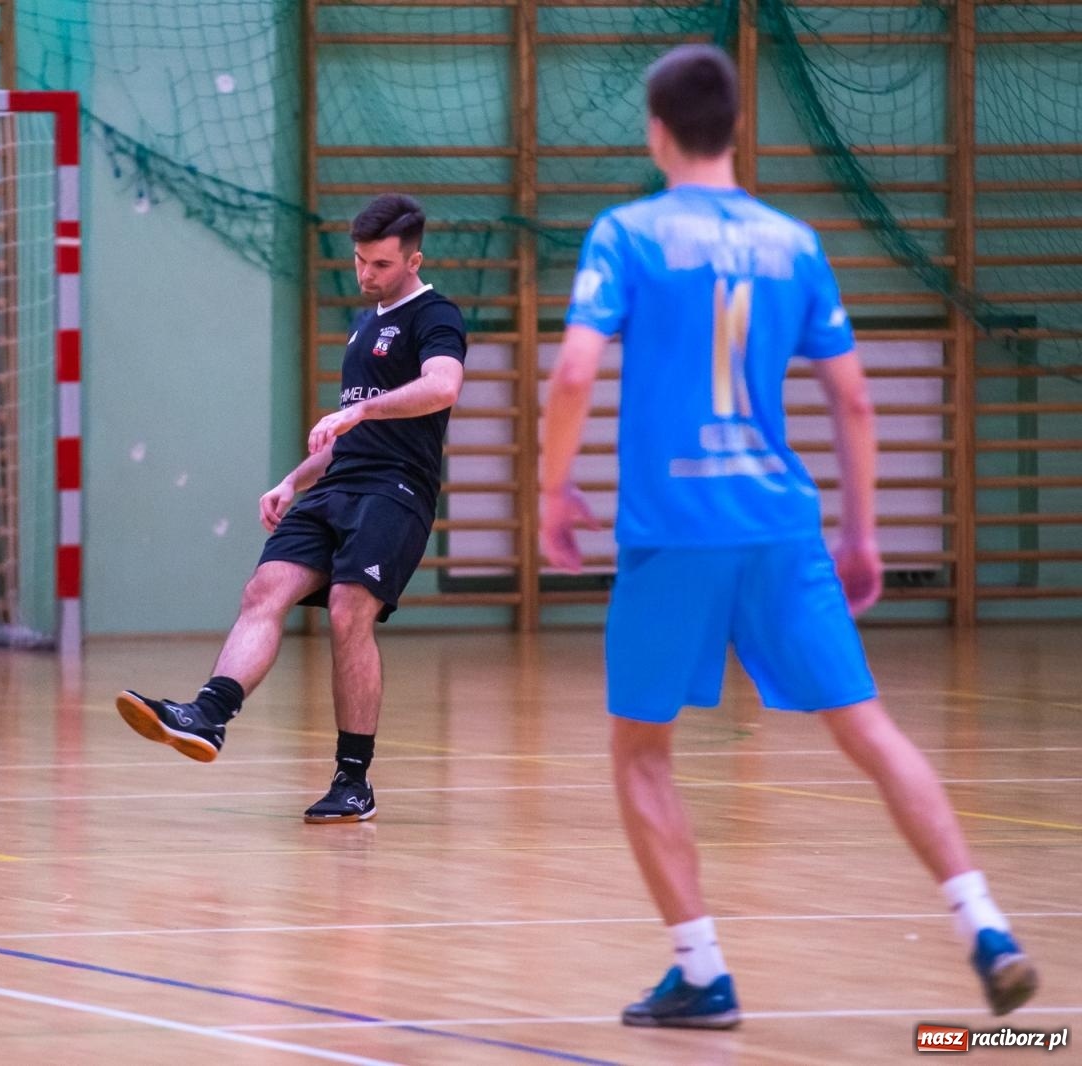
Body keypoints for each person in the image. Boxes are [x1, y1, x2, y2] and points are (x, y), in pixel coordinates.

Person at [538, 44, 1038, 1028]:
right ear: (733, 129)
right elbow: (851, 400)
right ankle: (983, 921)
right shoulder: (794, 243)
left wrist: (550, 491)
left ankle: (700, 970)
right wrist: (859, 530)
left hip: (673, 534)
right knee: (868, 730)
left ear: (655, 131)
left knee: (641, 755)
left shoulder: (626, 234)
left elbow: (571, 376)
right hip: (780, 526)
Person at [115, 193, 467, 822]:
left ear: (414, 258)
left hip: (396, 491)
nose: (366, 275)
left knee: (346, 610)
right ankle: (209, 715)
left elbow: (443, 386)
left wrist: (361, 408)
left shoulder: (436, 315)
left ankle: (353, 781)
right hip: (337, 487)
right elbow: (349, 434)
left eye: (381, 265)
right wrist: (292, 480)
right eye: (360, 261)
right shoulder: (363, 325)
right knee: (264, 590)